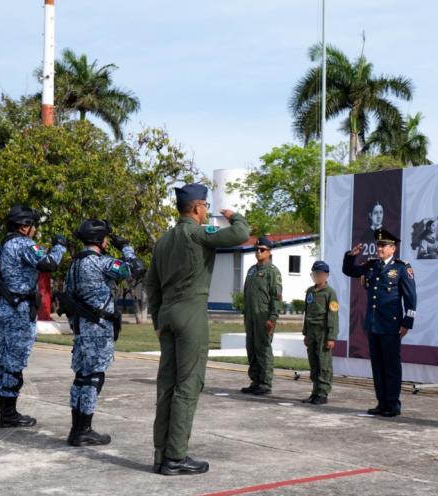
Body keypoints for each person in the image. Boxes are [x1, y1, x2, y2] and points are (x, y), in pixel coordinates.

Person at [145, 183, 250, 476]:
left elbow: (151, 284)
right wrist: (235, 216)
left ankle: (160, 455)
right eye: (204, 206)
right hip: (190, 311)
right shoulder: (198, 233)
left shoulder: (163, 241)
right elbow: (241, 234)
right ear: (196, 208)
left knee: (167, 385)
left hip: (166, 315)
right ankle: (176, 458)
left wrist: (156, 319)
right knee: (188, 385)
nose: (206, 212)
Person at [64, 219, 145, 446]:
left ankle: (76, 428)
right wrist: (125, 246)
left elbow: (68, 297)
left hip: (81, 328)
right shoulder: (102, 263)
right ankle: (85, 430)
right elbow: (136, 268)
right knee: (94, 378)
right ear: (101, 240)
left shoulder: (74, 264)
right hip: (98, 329)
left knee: (80, 377)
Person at [0, 205, 66, 428]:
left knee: (4, 362)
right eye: (32, 225)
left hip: (2, 308)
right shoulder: (24, 244)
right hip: (18, 310)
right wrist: (59, 246)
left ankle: (5, 412)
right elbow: (48, 263)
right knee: (14, 363)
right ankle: (9, 414)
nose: (34, 230)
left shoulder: (0, 247)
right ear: (24, 227)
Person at [342, 228, 417, 417]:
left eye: (383, 245)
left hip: (391, 324)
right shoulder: (372, 265)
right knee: (377, 365)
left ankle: (393, 404)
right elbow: (350, 270)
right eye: (378, 245)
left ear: (393, 249)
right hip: (373, 323)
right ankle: (381, 402)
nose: (379, 248)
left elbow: (411, 296)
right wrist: (351, 256)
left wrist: (407, 322)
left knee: (391, 365)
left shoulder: (401, 267)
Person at [240, 236, 282, 396]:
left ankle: (265, 383)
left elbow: (276, 297)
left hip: (263, 316)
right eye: (256, 250)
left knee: (263, 349)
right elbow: (246, 293)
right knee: (251, 348)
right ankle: (255, 381)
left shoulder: (272, 272)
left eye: (262, 250)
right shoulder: (252, 270)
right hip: (250, 315)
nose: (258, 252)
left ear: (269, 252)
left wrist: (272, 317)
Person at [301, 260, 339, 405]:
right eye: (314, 274)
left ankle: (323, 393)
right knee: (314, 363)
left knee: (324, 364)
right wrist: (305, 332)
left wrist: (331, 337)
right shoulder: (310, 291)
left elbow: (333, 316)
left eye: (319, 274)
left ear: (326, 275)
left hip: (323, 331)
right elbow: (307, 312)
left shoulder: (330, 293)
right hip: (311, 332)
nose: (316, 277)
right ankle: (315, 391)